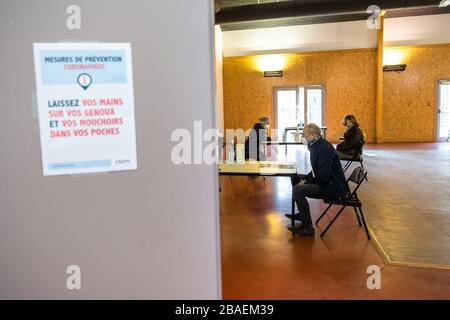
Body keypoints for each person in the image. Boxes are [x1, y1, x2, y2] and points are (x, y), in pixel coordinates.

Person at [286, 123, 349, 236]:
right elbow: (317, 171)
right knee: (295, 178)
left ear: (313, 135)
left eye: (305, 135)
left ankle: (308, 227)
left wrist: (306, 181)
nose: (303, 138)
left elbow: (323, 176)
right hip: (327, 181)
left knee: (298, 190)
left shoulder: (323, 148)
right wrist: (305, 178)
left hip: (332, 187)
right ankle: (302, 214)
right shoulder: (316, 145)